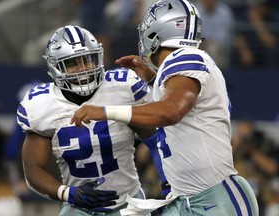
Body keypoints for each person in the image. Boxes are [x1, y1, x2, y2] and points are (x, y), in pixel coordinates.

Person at [71, 0, 259, 215]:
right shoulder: (179, 66)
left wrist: (106, 111)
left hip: (215, 199)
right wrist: (154, 80)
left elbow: (171, 111)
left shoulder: (186, 56)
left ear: (158, 30)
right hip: (187, 199)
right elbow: (180, 108)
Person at [17, 25, 167, 216]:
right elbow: (33, 170)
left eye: (87, 60)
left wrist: (167, 183)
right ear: (56, 67)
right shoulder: (41, 105)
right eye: (73, 63)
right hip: (79, 206)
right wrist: (68, 193)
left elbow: (156, 141)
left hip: (129, 203)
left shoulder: (122, 87)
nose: (83, 69)